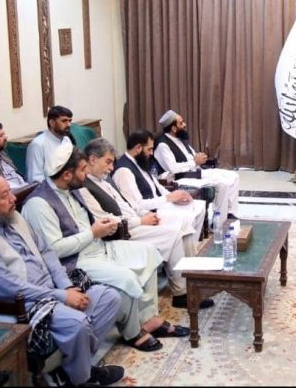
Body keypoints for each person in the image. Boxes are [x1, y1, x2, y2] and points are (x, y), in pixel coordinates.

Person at [0, 171, 124, 386]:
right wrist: (61, 296)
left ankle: (70, 371)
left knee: (109, 298)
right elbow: (7, 287)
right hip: (18, 305)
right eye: (4, 196)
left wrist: (67, 287)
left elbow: (46, 251)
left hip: (50, 291)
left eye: (10, 191)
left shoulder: (13, 216)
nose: (13, 198)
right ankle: (81, 379)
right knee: (77, 324)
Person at [22, 144, 190, 352]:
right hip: (77, 261)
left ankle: (149, 319)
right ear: (66, 175)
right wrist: (93, 233)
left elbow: (88, 223)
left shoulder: (71, 190)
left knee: (148, 253)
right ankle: (133, 333)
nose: (86, 175)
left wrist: (104, 226)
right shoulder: (39, 204)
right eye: (82, 170)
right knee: (126, 277)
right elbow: (54, 250)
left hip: (99, 246)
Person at [78, 137, 213, 309]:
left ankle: (194, 280)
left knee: (184, 226)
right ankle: (182, 294)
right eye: (108, 162)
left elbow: (126, 205)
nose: (111, 168)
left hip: (136, 221)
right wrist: (140, 220)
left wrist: (145, 216)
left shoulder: (104, 181)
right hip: (121, 233)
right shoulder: (85, 188)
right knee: (174, 234)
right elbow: (106, 221)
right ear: (93, 159)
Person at [114, 129, 207, 239]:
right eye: (149, 149)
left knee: (199, 206)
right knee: (186, 218)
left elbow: (157, 186)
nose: (151, 153)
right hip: (149, 213)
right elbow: (138, 206)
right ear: (138, 148)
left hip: (160, 204)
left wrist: (175, 196)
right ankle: (184, 248)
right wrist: (168, 198)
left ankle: (192, 245)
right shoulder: (124, 171)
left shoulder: (140, 161)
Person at [153, 109, 240, 219]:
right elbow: (173, 168)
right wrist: (194, 162)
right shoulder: (163, 145)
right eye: (181, 123)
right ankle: (219, 219)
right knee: (223, 183)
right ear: (174, 128)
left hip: (196, 172)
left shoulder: (180, 139)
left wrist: (200, 158)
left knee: (234, 176)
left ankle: (230, 213)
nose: (184, 125)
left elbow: (192, 157)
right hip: (181, 178)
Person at [26, 105, 75, 184]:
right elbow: (35, 178)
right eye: (64, 121)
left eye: (70, 121)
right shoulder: (38, 144)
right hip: (49, 188)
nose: (68, 124)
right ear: (52, 123)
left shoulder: (67, 140)